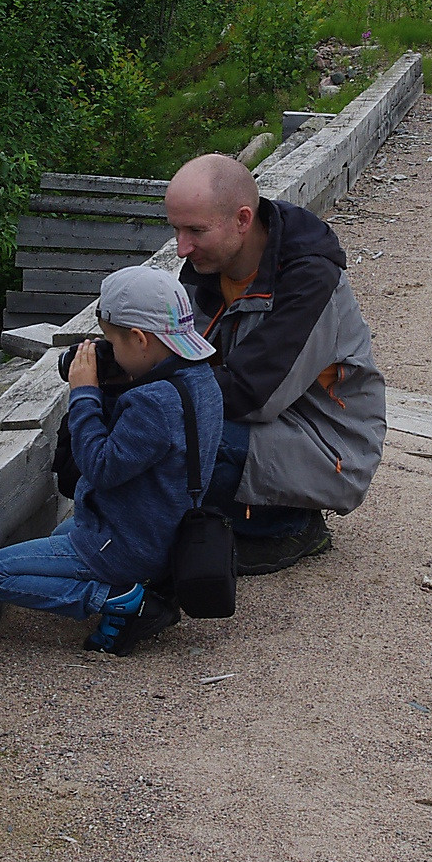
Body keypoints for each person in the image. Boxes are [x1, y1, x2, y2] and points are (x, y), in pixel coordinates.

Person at [0, 266, 223, 655]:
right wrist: (115, 385)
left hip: (130, 546)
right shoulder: (200, 379)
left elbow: (100, 467)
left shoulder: (152, 402)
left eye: (112, 343)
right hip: (166, 529)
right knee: (61, 535)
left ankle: (124, 600)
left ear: (140, 339)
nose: (109, 353)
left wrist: (85, 393)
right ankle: (134, 585)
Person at [164, 153, 386, 574]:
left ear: (243, 220)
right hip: (270, 423)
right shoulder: (207, 264)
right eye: (176, 229)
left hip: (328, 447)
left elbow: (251, 396)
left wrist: (147, 392)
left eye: (195, 230)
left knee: (176, 430)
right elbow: (172, 351)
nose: (182, 247)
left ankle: (287, 526)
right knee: (152, 419)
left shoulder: (309, 279)